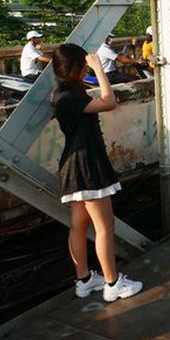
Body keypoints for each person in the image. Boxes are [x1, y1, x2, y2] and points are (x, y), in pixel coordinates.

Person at [51, 43, 143, 302]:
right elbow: (109, 102)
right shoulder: (68, 97)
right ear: (76, 67)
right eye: (83, 66)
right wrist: (100, 70)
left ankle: (84, 280)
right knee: (104, 227)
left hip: (75, 165)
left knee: (79, 225)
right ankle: (113, 284)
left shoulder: (64, 93)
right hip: (87, 166)